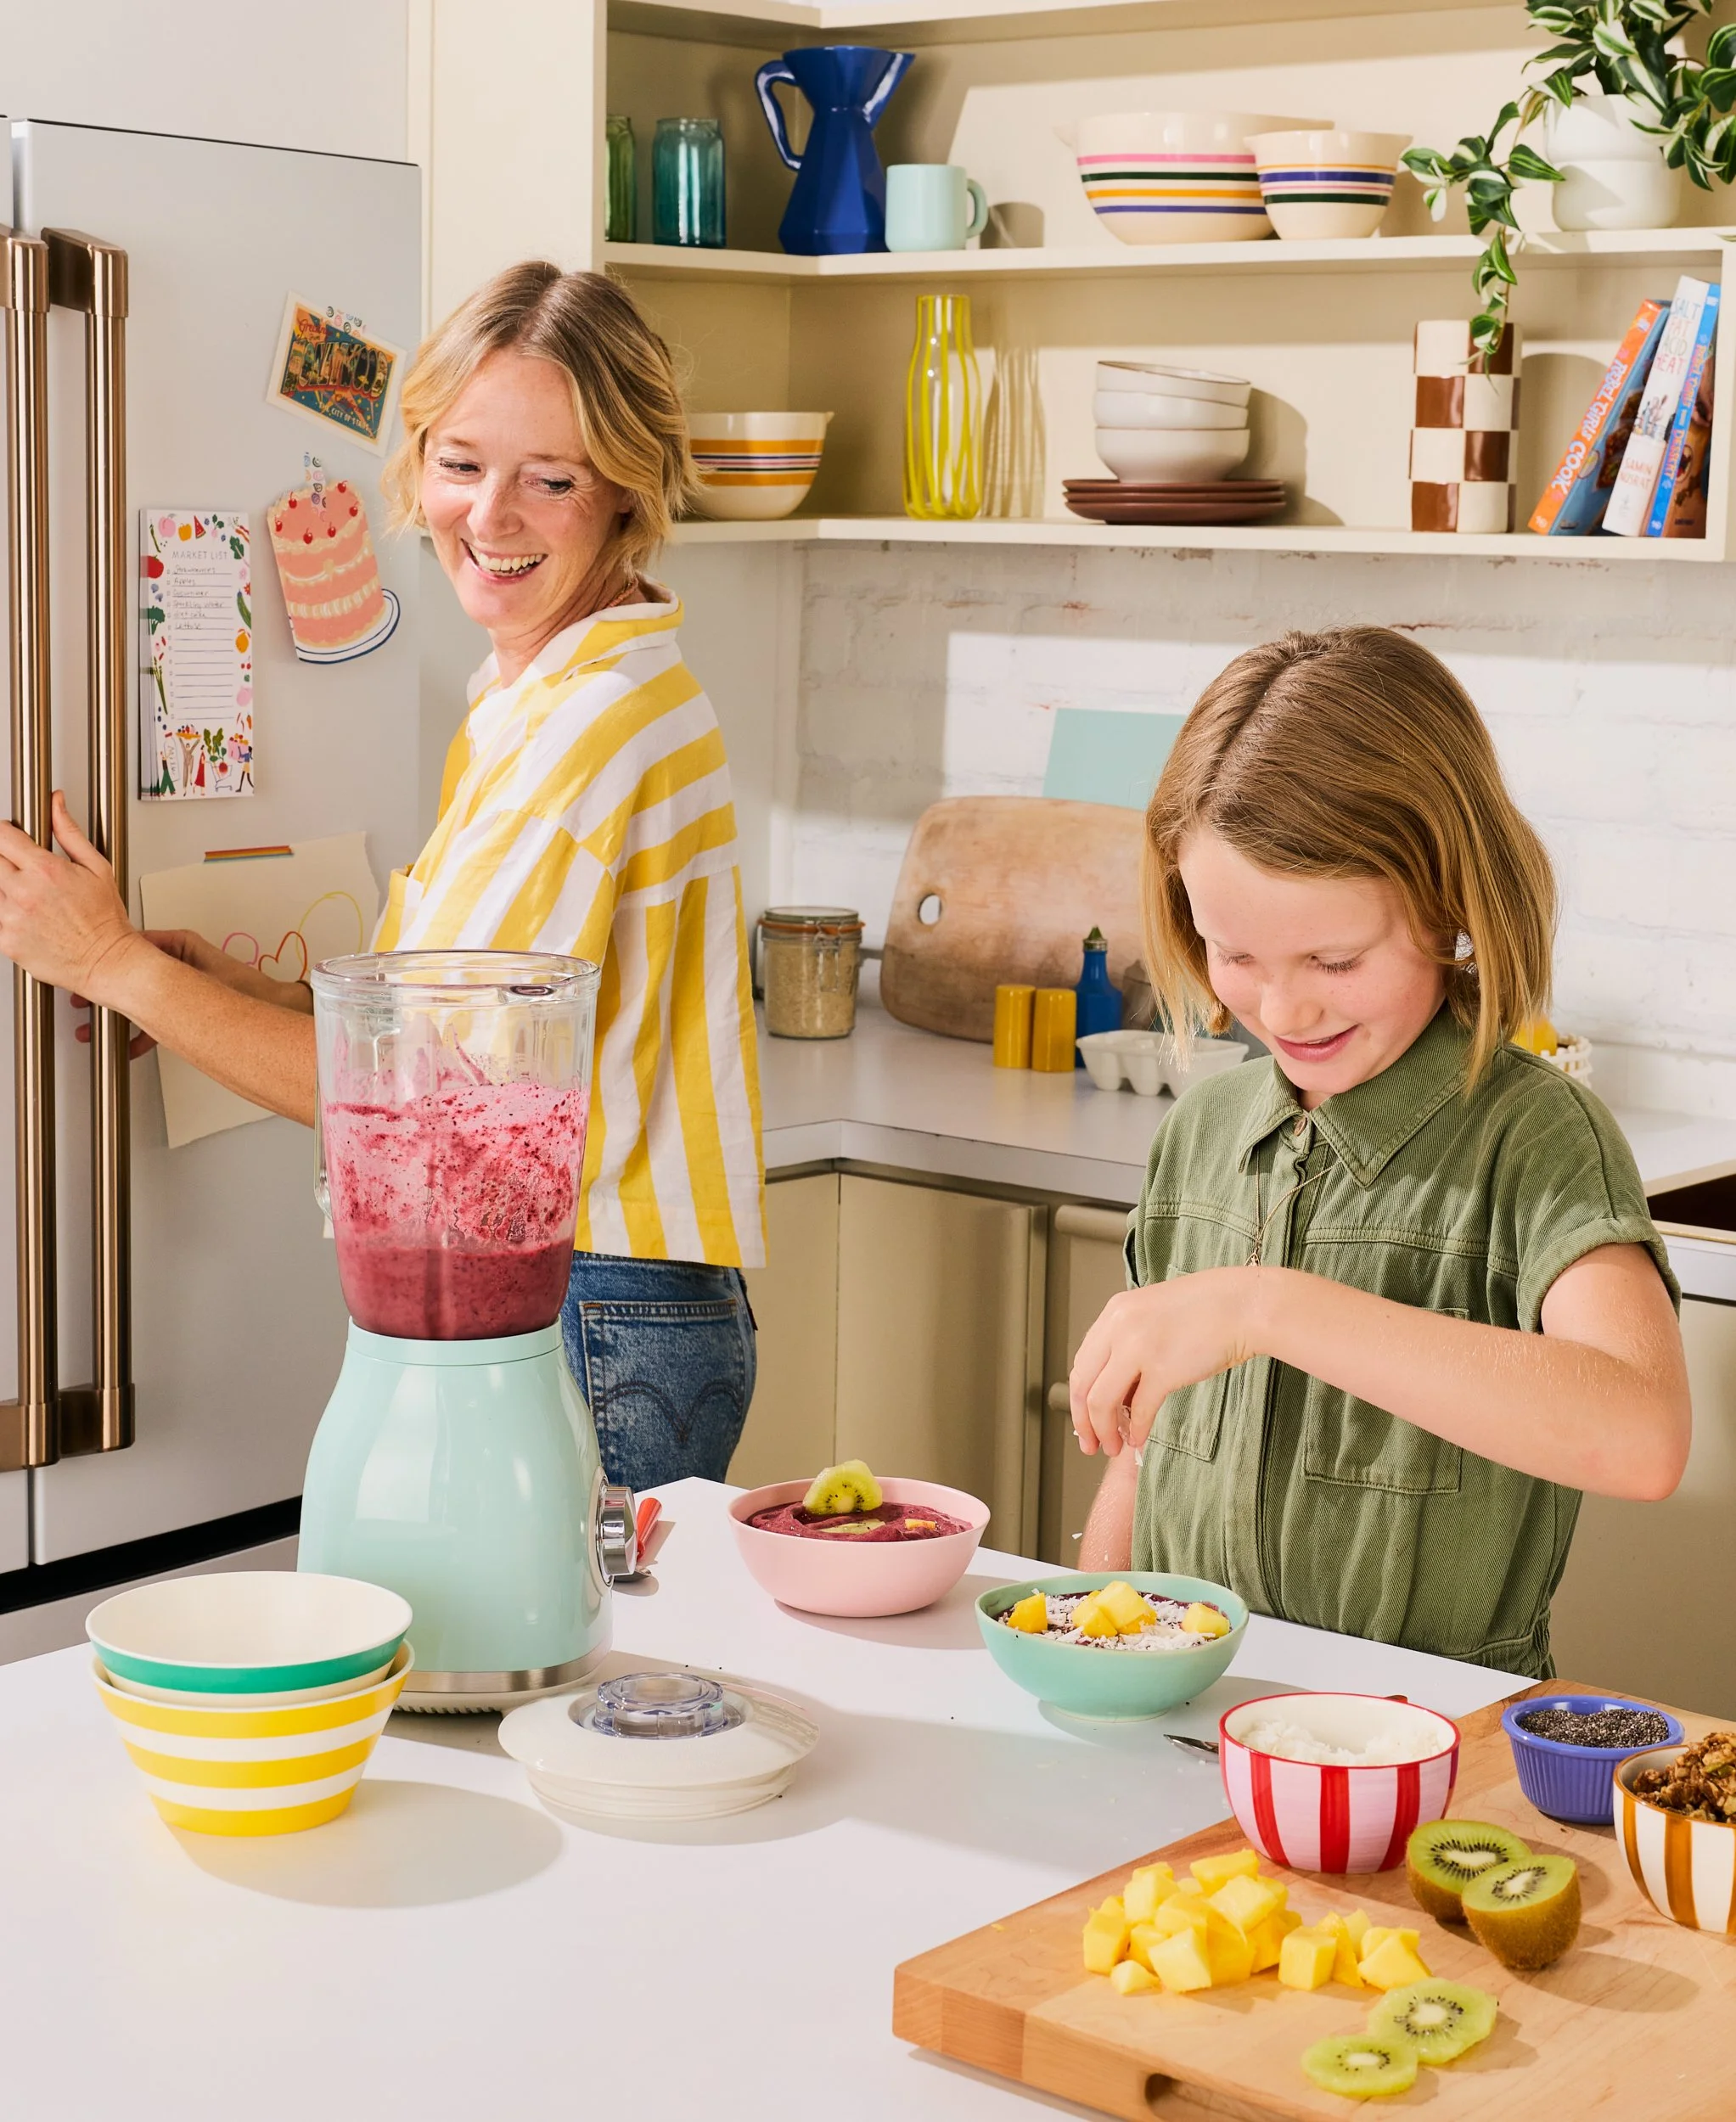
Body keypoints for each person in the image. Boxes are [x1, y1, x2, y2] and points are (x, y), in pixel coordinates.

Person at [0, 262, 764, 1492]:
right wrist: (265, 1004)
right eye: (461, 462)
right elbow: (461, 1037)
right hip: (589, 1300)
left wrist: (111, 965)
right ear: (414, 460)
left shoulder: (591, 726)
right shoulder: (543, 692)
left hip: (577, 1304)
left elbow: (418, 1105)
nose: (491, 514)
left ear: (626, 489)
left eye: (549, 479)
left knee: (535, 1682)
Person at [1070, 627, 1688, 1677]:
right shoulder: (1202, 1134)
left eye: (1333, 957)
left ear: (1450, 902)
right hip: (1186, 1731)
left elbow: (1640, 1436)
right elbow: (1143, 1457)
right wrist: (1094, 1646)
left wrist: (1265, 1306)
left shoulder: (1532, 1139)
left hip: (1433, 1754)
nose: (1281, 1004)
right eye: (1234, 954)